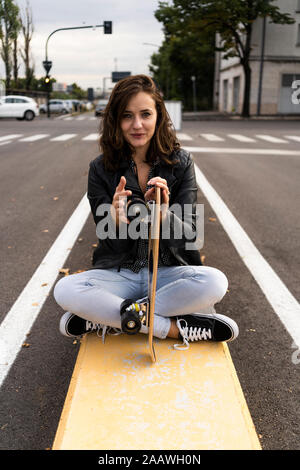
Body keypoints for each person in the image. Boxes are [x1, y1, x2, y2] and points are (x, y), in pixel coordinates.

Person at [53, 74, 239, 350]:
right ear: (116, 121)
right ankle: (172, 327)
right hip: (121, 273)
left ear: (158, 117)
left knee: (215, 282)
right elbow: (112, 245)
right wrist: (115, 221)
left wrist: (164, 215)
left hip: (169, 273)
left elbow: (191, 236)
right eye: (127, 116)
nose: (137, 125)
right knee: (65, 289)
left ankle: (111, 318)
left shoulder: (181, 162)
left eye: (145, 114)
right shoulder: (100, 169)